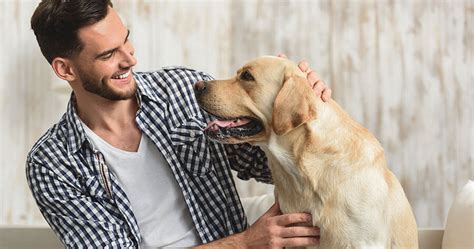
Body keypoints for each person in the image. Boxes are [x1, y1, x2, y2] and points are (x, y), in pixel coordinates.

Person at [26, 0, 332, 248]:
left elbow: (266, 166)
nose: (130, 59)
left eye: (126, 40)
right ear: (65, 69)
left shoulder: (184, 89)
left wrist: (303, 112)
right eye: (108, 54)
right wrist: (246, 243)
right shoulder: (52, 163)